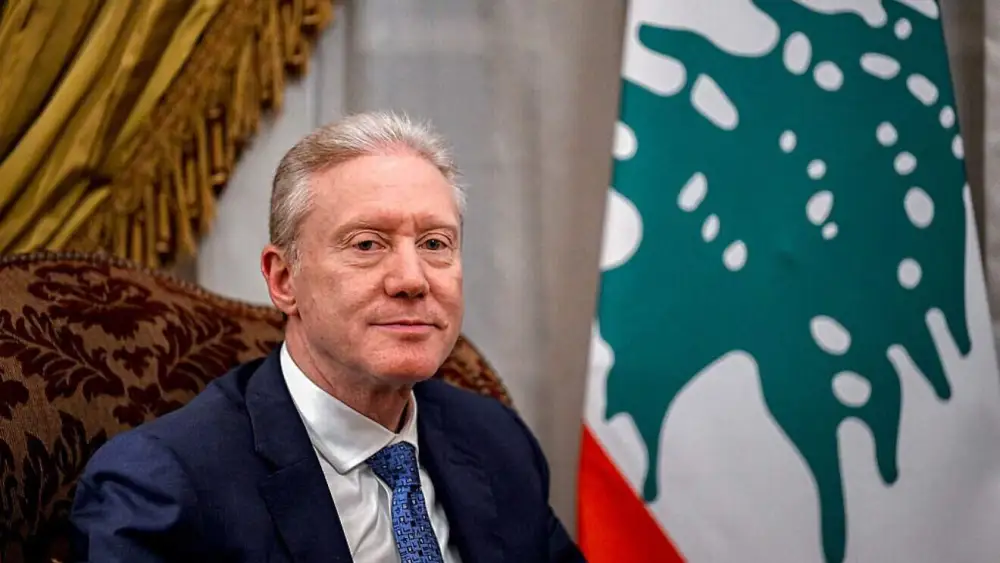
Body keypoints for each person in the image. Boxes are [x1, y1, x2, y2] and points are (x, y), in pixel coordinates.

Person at [68, 111, 585, 563]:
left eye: (434, 243)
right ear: (284, 279)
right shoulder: (161, 487)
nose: (412, 278)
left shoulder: (496, 440)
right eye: (366, 244)